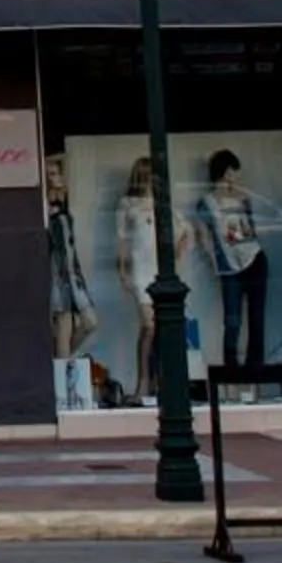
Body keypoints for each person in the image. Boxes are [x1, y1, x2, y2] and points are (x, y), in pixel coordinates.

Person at [115, 154, 192, 403]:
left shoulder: (164, 204)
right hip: (140, 269)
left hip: (160, 270)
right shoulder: (128, 204)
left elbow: (185, 230)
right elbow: (123, 241)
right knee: (149, 326)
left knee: (161, 327)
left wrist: (176, 255)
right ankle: (143, 382)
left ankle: (162, 382)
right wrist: (122, 272)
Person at [191, 149, 272, 378]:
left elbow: (251, 229)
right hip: (229, 264)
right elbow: (203, 234)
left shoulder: (242, 199)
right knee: (233, 319)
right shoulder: (207, 203)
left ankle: (254, 370)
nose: (234, 177)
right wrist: (210, 259)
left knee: (256, 318)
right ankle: (232, 372)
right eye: (231, 172)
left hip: (254, 257)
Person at [46, 152, 97, 361]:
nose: (57, 178)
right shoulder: (44, 214)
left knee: (90, 323)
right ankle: (61, 375)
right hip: (56, 276)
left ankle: (58, 362)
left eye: (57, 174)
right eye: (51, 175)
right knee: (63, 327)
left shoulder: (64, 212)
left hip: (73, 276)